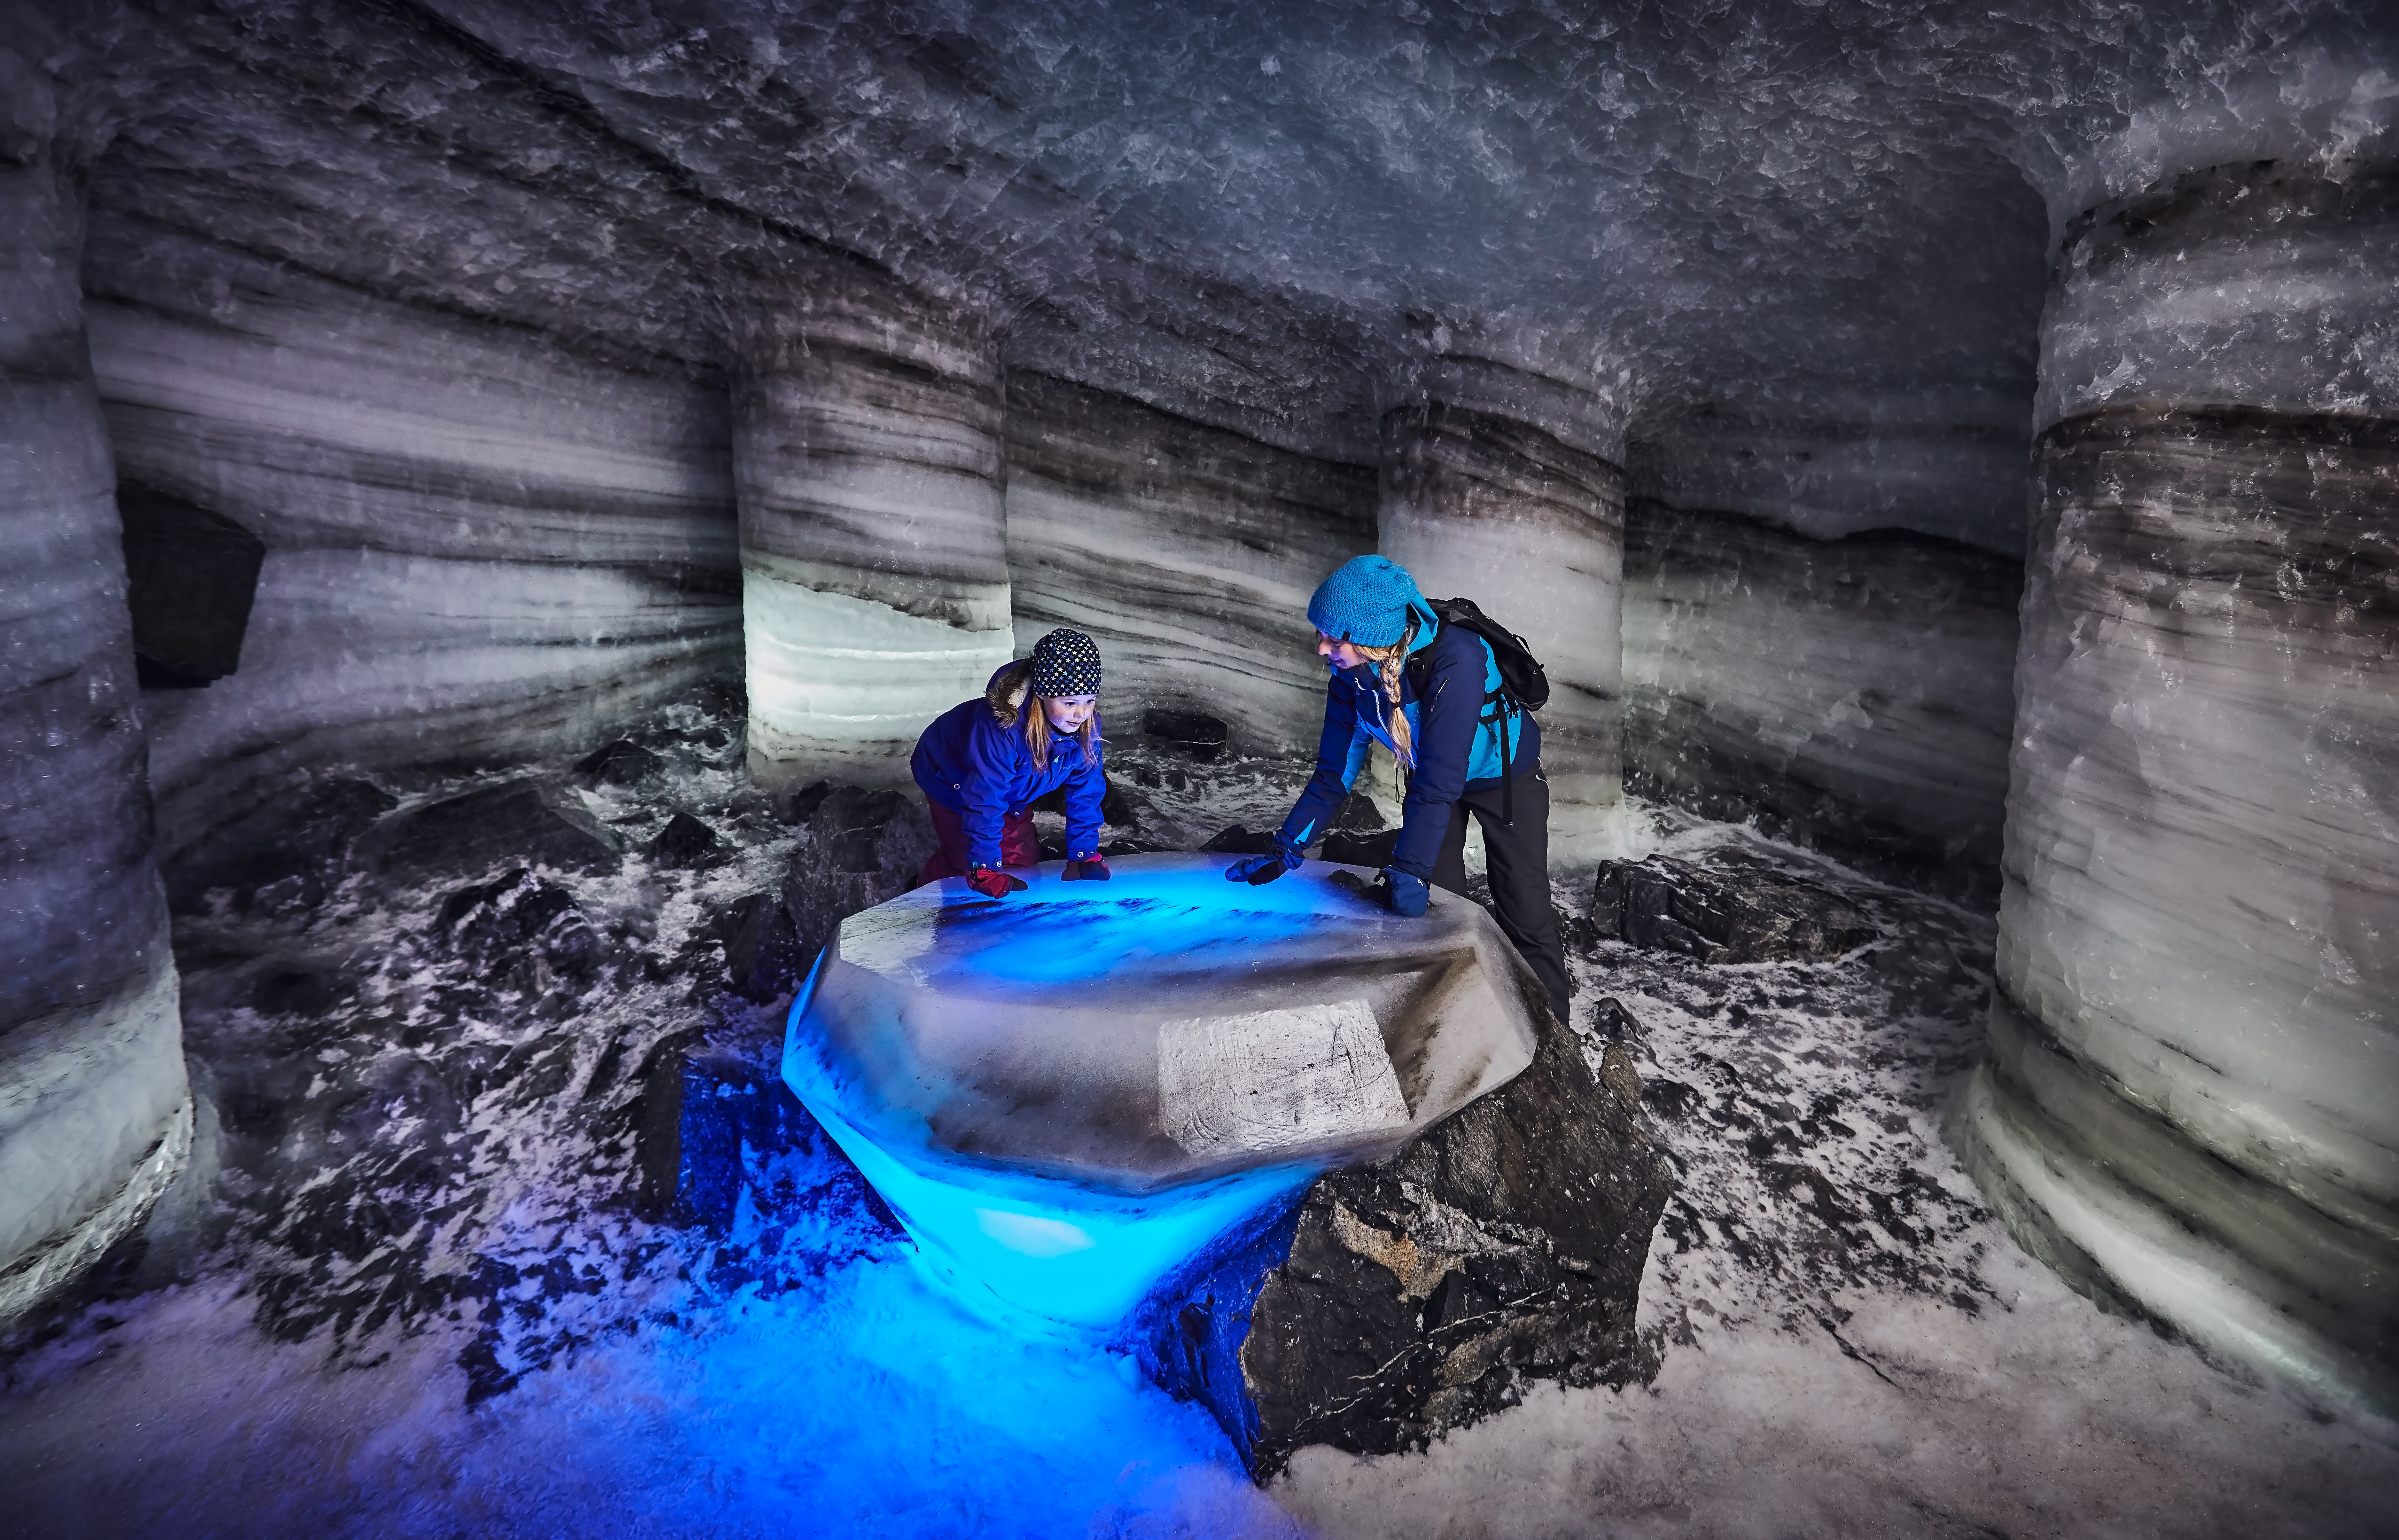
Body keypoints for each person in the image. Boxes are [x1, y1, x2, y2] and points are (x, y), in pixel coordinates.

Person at [1226, 554, 1571, 1023]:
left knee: (1524, 907)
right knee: (1440, 910)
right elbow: (1332, 775)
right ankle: (1462, 1024)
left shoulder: (1457, 658)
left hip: (1503, 779)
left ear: (1371, 638)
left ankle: (1552, 1031)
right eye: (1320, 634)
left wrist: (1409, 867)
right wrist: (1286, 847)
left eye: (1333, 638)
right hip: (1433, 783)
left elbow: (1440, 776)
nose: (1321, 649)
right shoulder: (1352, 677)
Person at [912, 628, 1112, 896]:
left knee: (1021, 857)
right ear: (1042, 695)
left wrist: (1083, 854)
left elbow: (1086, 792)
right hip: (950, 772)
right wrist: (983, 868)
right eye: (1070, 703)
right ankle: (920, 895)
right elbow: (985, 796)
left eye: (1090, 701)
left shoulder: (1087, 727)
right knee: (964, 861)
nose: (1081, 713)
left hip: (1014, 784)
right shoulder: (1003, 728)